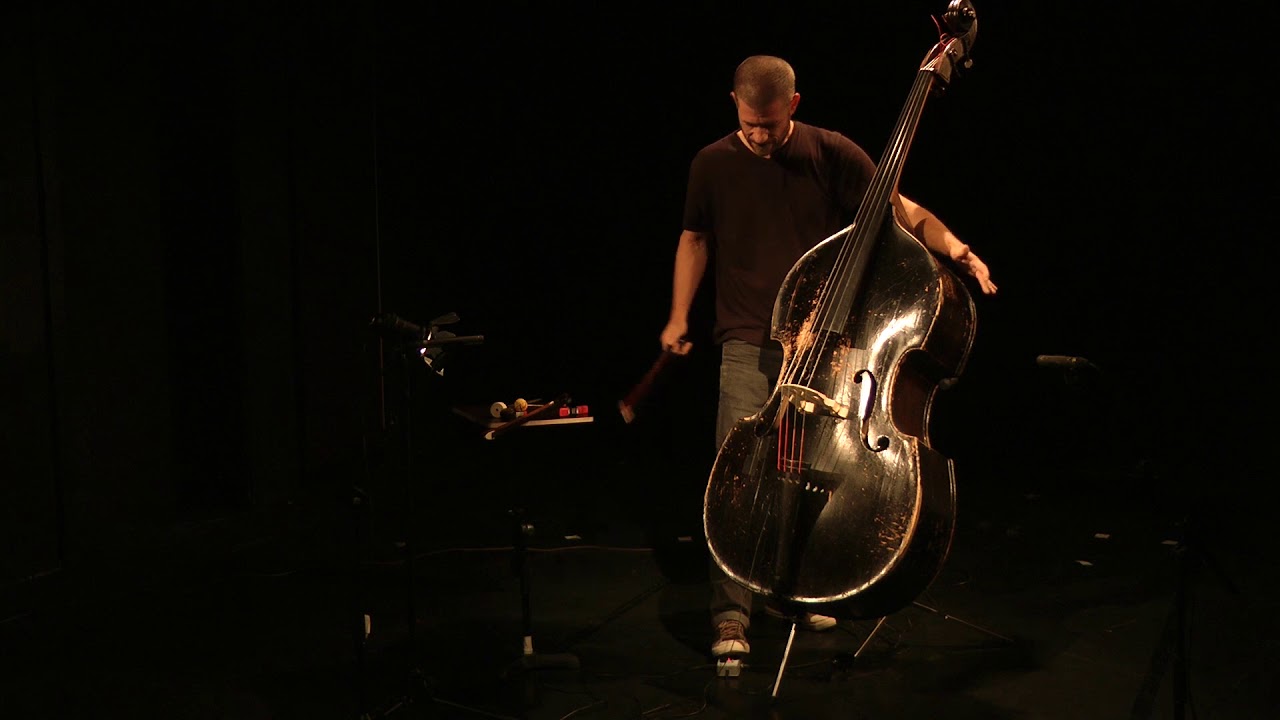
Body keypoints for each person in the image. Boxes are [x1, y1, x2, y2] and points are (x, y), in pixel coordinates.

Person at [658, 55, 998, 659]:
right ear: (734, 104)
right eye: (749, 124)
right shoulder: (711, 163)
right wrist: (679, 315)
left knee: (806, 469)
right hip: (747, 339)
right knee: (742, 478)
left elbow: (899, 209)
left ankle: (796, 589)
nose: (759, 136)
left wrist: (956, 247)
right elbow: (694, 238)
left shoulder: (830, 152)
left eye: (769, 124)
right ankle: (731, 616)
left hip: (826, 347)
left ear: (793, 105)